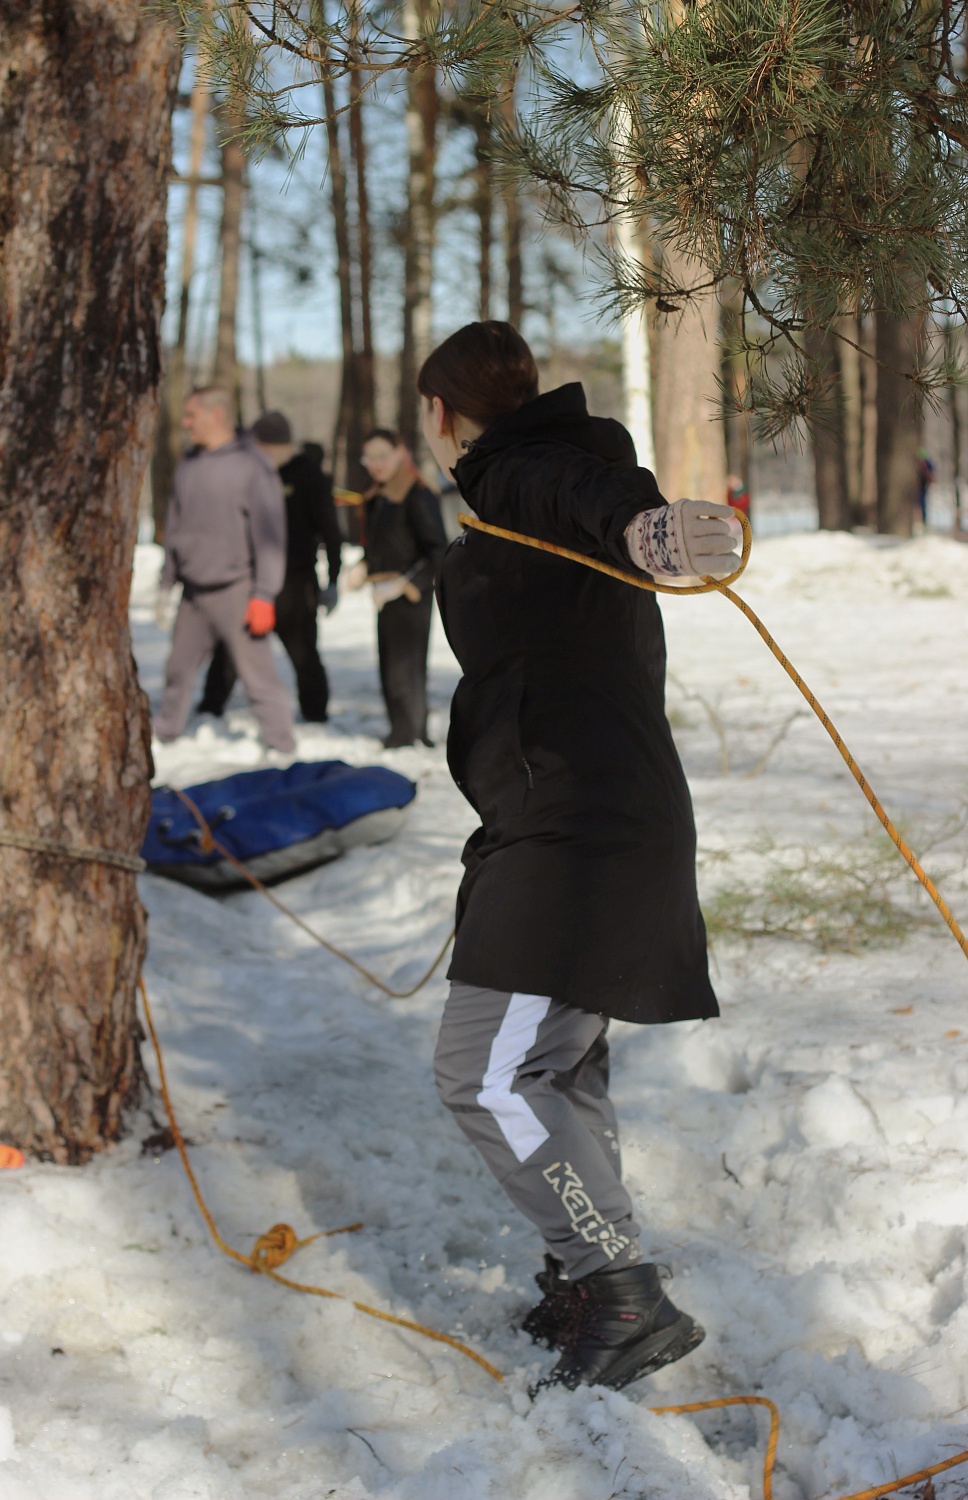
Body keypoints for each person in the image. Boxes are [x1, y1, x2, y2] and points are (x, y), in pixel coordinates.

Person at [420, 322, 739, 1393]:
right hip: (577, 818)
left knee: (482, 1074)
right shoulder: (529, 478)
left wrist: (649, 532)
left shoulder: (519, 472)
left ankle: (621, 1290)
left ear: (439, 414)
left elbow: (581, 501)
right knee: (553, 1067)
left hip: (578, 835)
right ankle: (585, 1276)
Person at [154, 387, 295, 753]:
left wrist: (264, 594)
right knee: (177, 671)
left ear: (215, 416)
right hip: (193, 593)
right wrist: (166, 581)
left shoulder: (253, 465)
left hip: (238, 589)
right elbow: (175, 524)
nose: (185, 424)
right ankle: (164, 736)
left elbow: (270, 534)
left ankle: (281, 746)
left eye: (191, 416)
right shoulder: (189, 464)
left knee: (258, 678)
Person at [197, 412, 343, 723]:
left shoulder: (308, 476)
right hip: (249, 582)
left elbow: (331, 532)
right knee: (231, 648)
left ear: (279, 446)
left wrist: (333, 579)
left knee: (304, 653)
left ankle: (316, 714)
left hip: (296, 583)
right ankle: (210, 708)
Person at [352, 429, 448, 748]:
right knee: (389, 664)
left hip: (410, 596)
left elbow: (438, 551)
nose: (376, 465)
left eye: (382, 456)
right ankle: (402, 730)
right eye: (370, 458)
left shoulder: (417, 495)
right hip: (385, 593)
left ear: (399, 454)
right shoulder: (378, 496)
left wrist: (405, 583)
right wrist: (365, 566)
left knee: (405, 668)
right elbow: (382, 545)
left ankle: (410, 734)